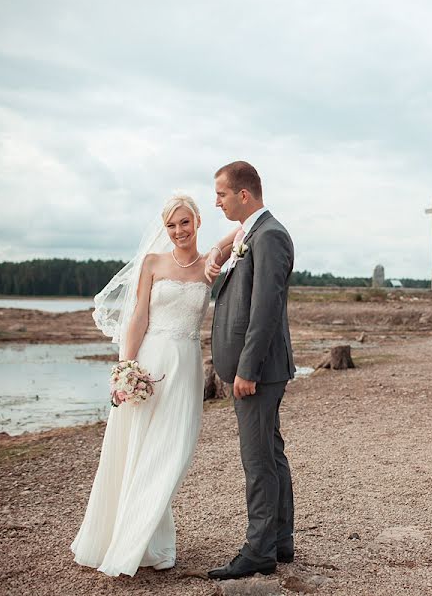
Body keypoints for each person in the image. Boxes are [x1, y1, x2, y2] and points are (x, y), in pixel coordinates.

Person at [71, 195, 237, 577]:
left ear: (197, 221)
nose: (178, 231)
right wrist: (125, 370)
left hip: (186, 367)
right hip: (148, 363)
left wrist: (220, 246)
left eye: (185, 222)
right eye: (171, 225)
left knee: (172, 452)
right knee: (135, 448)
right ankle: (136, 542)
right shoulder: (151, 263)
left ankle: (143, 535)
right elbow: (138, 317)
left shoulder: (209, 265)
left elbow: (243, 229)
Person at [204, 161, 296, 581]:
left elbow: (265, 308)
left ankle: (259, 550)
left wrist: (246, 369)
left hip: (257, 372)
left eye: (221, 194)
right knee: (270, 454)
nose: (216, 201)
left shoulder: (270, 235)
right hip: (257, 369)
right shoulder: (251, 233)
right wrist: (221, 251)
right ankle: (279, 540)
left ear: (244, 194)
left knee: (257, 461)